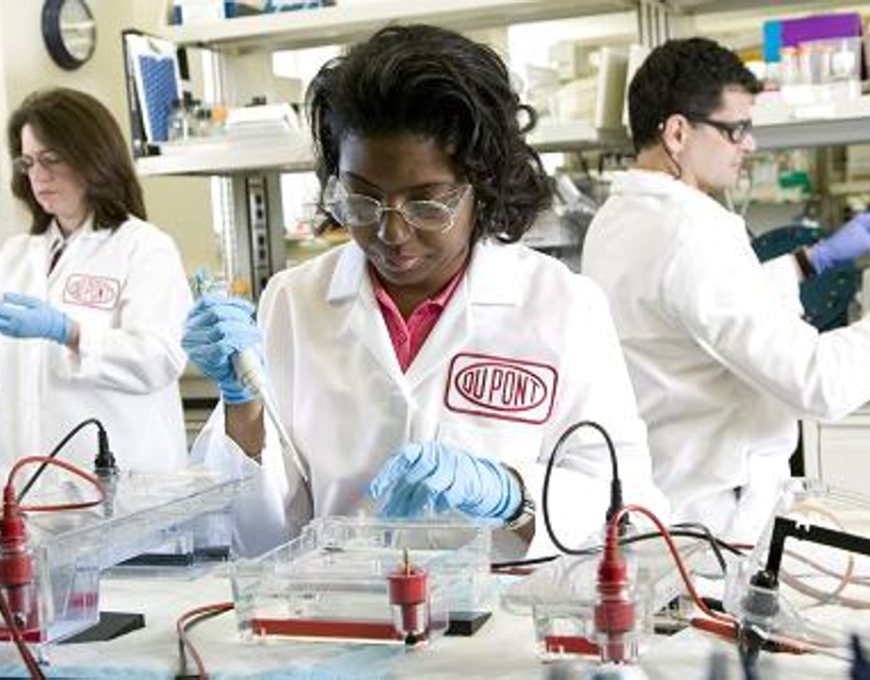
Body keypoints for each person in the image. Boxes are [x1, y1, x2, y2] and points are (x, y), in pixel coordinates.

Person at [184, 25, 668, 559]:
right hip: (336, 617)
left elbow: (629, 508)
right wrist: (244, 410)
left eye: (426, 203)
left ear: (482, 186)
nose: (391, 233)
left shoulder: (564, 307)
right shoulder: (294, 301)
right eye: (363, 201)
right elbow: (256, 536)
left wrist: (513, 495)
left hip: (500, 629)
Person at [582, 37, 870, 542]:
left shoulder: (617, 218)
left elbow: (698, 310)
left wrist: (812, 259)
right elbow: (819, 382)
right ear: (677, 132)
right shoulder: (693, 229)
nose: (750, 145)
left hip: (669, 498)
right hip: (719, 520)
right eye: (735, 129)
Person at [0, 87, 192, 492]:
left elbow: (159, 357)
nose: (38, 175)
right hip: (31, 499)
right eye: (29, 162)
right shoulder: (16, 258)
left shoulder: (143, 247)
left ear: (94, 157)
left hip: (127, 498)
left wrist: (70, 333)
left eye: (52, 159)